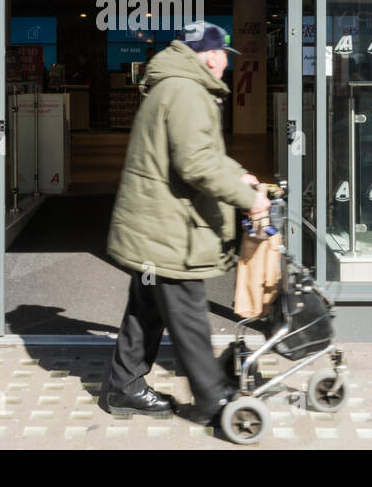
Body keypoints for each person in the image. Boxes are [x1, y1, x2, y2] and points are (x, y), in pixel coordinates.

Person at [103, 21, 270, 424]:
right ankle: (213, 402)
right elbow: (196, 163)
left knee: (146, 307)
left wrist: (237, 174)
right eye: (223, 58)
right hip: (169, 230)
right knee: (189, 315)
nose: (225, 66)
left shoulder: (172, 84)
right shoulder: (187, 92)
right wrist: (250, 200)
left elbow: (201, 152)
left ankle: (124, 387)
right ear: (211, 55)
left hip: (151, 226)